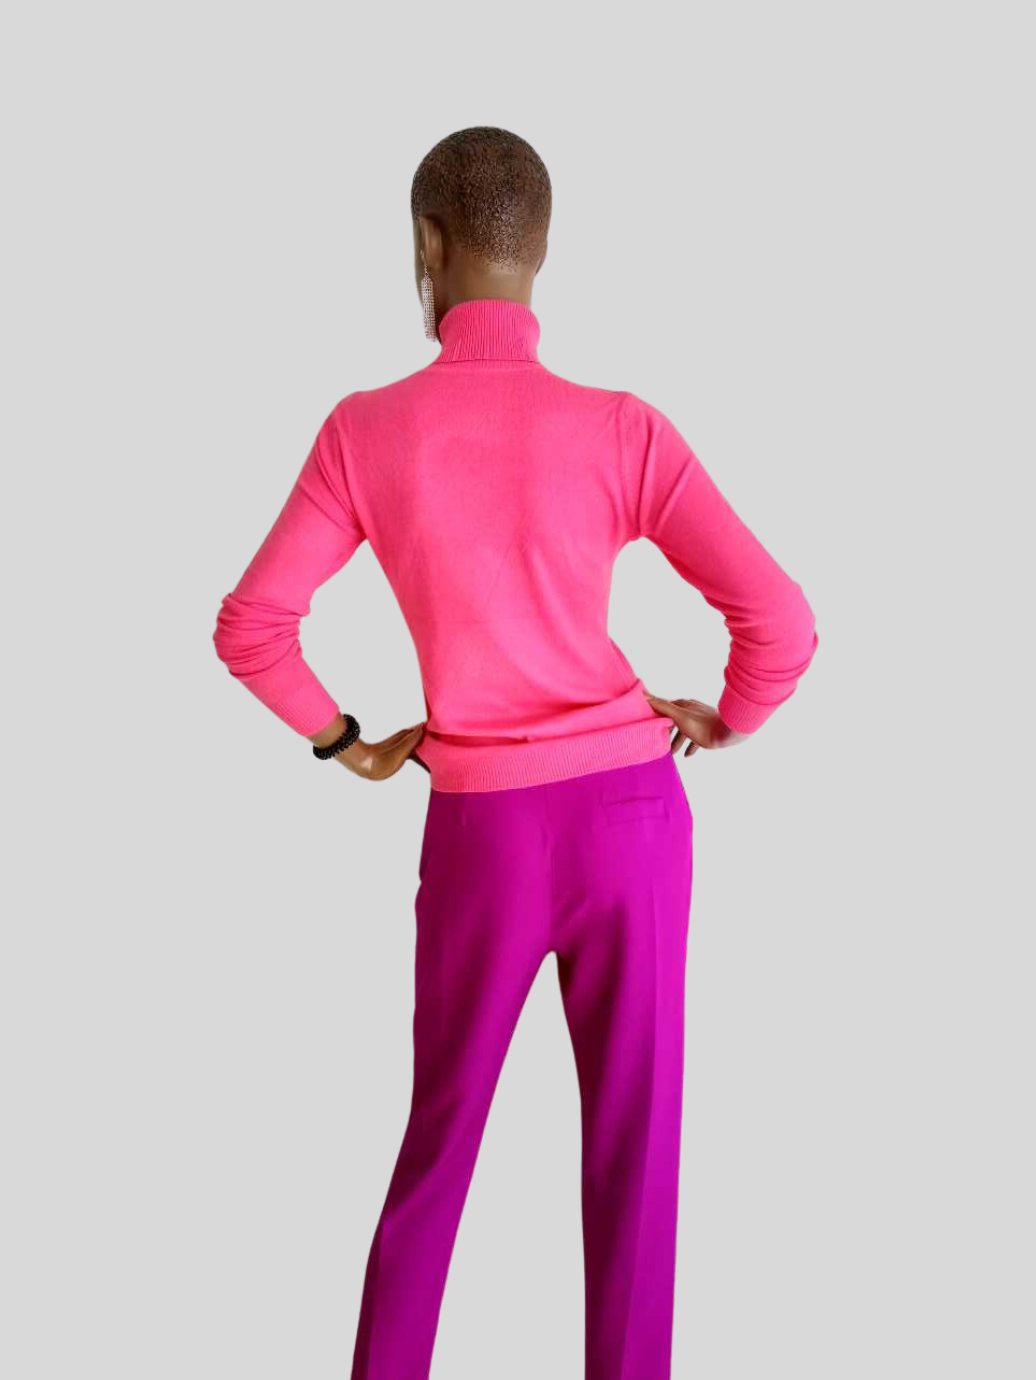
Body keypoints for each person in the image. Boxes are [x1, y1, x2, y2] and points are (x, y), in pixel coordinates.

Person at [212, 125, 818, 1380]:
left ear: (425, 246)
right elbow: (780, 620)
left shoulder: (365, 431)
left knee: (437, 1151)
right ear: (541, 252)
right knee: (635, 1153)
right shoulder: (621, 428)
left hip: (481, 831)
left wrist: (348, 745)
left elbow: (253, 627)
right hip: (632, 820)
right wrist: (729, 717)